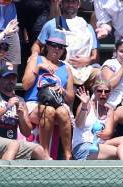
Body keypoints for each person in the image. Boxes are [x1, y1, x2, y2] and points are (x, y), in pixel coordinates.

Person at [0, 66, 50, 159]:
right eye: (7, 78)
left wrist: (21, 116)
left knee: (39, 150)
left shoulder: (20, 100)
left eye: (13, 78)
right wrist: (6, 107)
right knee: (14, 144)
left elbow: (27, 133)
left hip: (10, 144)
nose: (11, 81)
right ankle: (4, 173)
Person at [22, 30, 75, 159]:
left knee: (63, 112)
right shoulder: (36, 59)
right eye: (53, 45)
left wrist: (62, 91)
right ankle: (45, 153)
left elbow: (70, 97)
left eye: (60, 47)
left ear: (64, 50)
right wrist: (39, 67)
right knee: (49, 111)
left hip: (57, 103)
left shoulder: (66, 68)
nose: (56, 49)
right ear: (47, 46)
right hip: (35, 102)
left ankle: (68, 155)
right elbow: (25, 85)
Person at [34, 0, 100, 87]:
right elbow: (37, 45)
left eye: (73, 2)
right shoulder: (51, 24)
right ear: (62, 3)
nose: (70, 5)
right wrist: (34, 56)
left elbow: (95, 56)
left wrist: (88, 60)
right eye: (67, 2)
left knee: (100, 75)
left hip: (85, 69)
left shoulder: (88, 27)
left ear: (78, 4)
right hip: (60, 68)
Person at [72, 81, 123, 159]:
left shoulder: (109, 110)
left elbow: (108, 133)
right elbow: (79, 124)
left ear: (110, 93)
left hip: (99, 145)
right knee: (119, 151)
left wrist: (98, 132)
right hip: (83, 146)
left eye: (106, 91)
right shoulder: (86, 104)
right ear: (94, 92)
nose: (103, 94)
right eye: (100, 91)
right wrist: (84, 105)